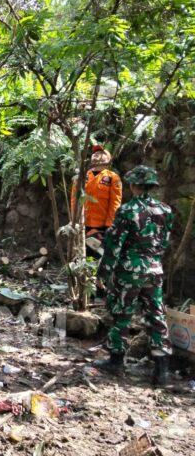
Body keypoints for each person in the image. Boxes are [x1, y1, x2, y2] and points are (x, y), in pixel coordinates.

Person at [94, 165, 173, 385]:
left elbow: (114, 245)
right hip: (154, 268)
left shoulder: (128, 210)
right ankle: (162, 371)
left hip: (130, 270)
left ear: (133, 185)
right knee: (156, 315)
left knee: (122, 312)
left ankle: (116, 360)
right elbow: (164, 242)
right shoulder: (165, 210)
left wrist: (104, 272)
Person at [71, 145, 122, 241]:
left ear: (108, 159)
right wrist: (74, 220)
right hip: (81, 223)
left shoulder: (113, 177)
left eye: (101, 152)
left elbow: (115, 204)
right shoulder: (81, 175)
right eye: (94, 152)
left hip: (101, 227)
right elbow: (74, 199)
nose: (96, 153)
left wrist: (109, 226)